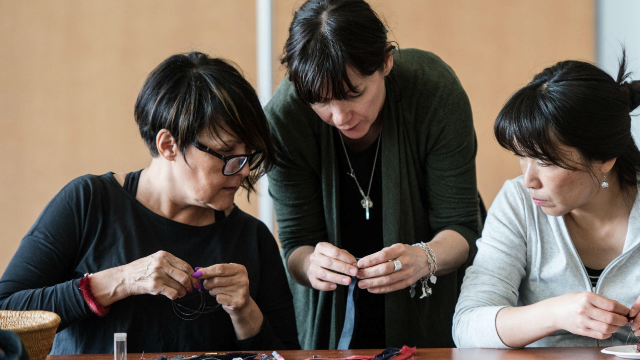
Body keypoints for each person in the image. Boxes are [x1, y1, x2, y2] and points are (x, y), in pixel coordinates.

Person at [0, 52, 300, 353]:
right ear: (168, 145)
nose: (245, 170)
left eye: (248, 154)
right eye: (227, 153)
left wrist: (245, 311)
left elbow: (287, 354)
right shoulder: (89, 202)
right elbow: (6, 315)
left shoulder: (252, 237)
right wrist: (121, 279)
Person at [265, 0, 481, 350]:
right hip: (336, 312)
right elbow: (295, 245)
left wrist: (425, 257)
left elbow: (462, 228)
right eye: (320, 101)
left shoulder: (432, 90)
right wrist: (312, 264)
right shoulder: (285, 118)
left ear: (385, 61)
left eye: (353, 94)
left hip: (429, 305)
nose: (339, 117)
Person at [453, 54, 640, 348]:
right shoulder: (518, 202)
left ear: (604, 158)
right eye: (522, 157)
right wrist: (555, 314)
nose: (528, 180)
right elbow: (467, 326)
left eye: (544, 161)